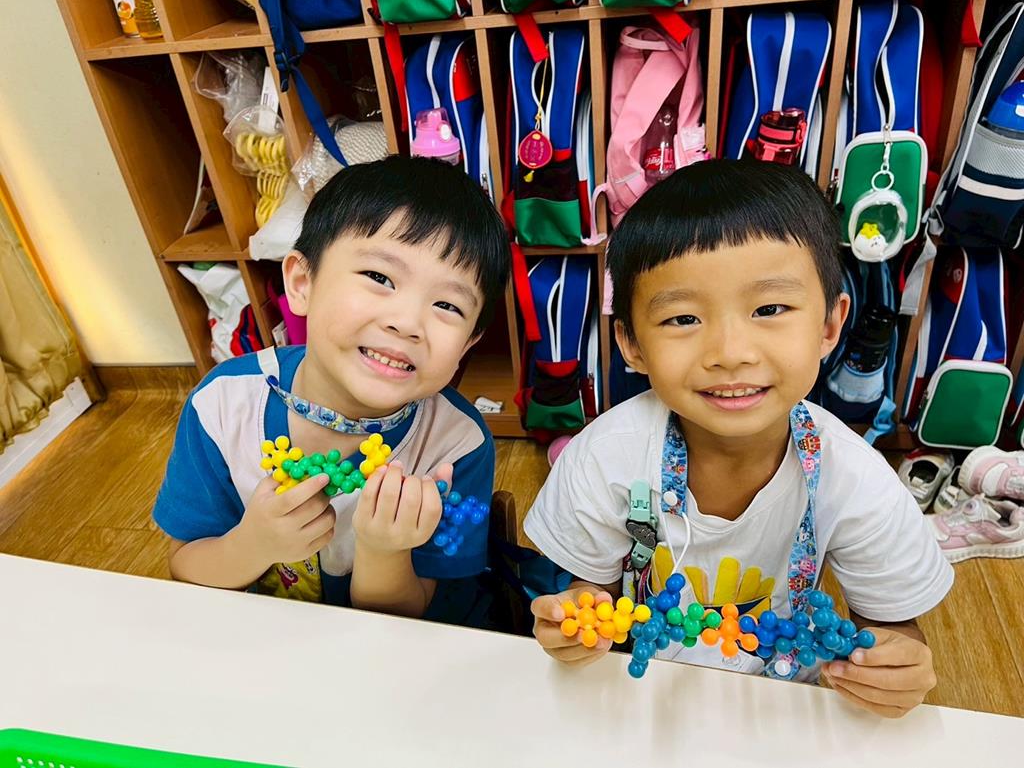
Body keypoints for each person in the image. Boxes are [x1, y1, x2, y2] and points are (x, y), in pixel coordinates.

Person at [525, 159, 952, 718]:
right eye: (683, 319)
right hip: (639, 688)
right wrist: (577, 620)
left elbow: (893, 628)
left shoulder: (854, 477)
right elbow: (590, 591)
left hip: (783, 702)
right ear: (631, 344)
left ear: (829, 325)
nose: (730, 353)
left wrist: (896, 669)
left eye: (769, 309)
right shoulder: (607, 456)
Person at [153, 156, 510, 621]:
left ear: (469, 342)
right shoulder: (222, 406)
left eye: (447, 305)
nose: (407, 323)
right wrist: (252, 545)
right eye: (379, 278)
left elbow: (422, 623)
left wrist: (384, 552)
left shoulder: (459, 445)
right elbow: (186, 567)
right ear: (303, 283)